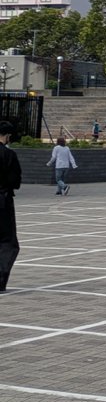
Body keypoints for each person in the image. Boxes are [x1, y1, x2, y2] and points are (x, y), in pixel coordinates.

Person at [0, 119, 21, 293]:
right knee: (7, 242)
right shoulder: (9, 155)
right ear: (6, 136)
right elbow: (15, 181)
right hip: (2, 200)